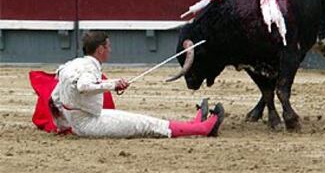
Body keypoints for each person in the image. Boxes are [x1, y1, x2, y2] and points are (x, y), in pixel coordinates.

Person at [49, 31, 225, 138]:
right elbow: (83, 86)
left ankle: (193, 126)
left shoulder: (71, 65)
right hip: (90, 124)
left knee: (145, 121)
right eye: (108, 46)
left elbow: (54, 99)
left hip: (85, 121)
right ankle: (202, 129)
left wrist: (64, 126)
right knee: (147, 125)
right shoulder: (88, 69)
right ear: (100, 49)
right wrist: (113, 85)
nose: (110, 50)